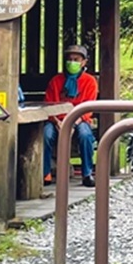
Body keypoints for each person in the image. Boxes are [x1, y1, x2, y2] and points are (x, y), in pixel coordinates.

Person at [44, 42, 97, 188]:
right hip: (56, 120)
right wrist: (57, 122)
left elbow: (88, 107)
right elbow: (48, 105)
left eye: (76, 59)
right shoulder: (56, 81)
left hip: (79, 120)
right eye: (70, 59)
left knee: (85, 135)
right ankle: (45, 173)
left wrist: (72, 123)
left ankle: (87, 174)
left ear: (84, 62)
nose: (72, 62)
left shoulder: (90, 81)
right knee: (46, 135)